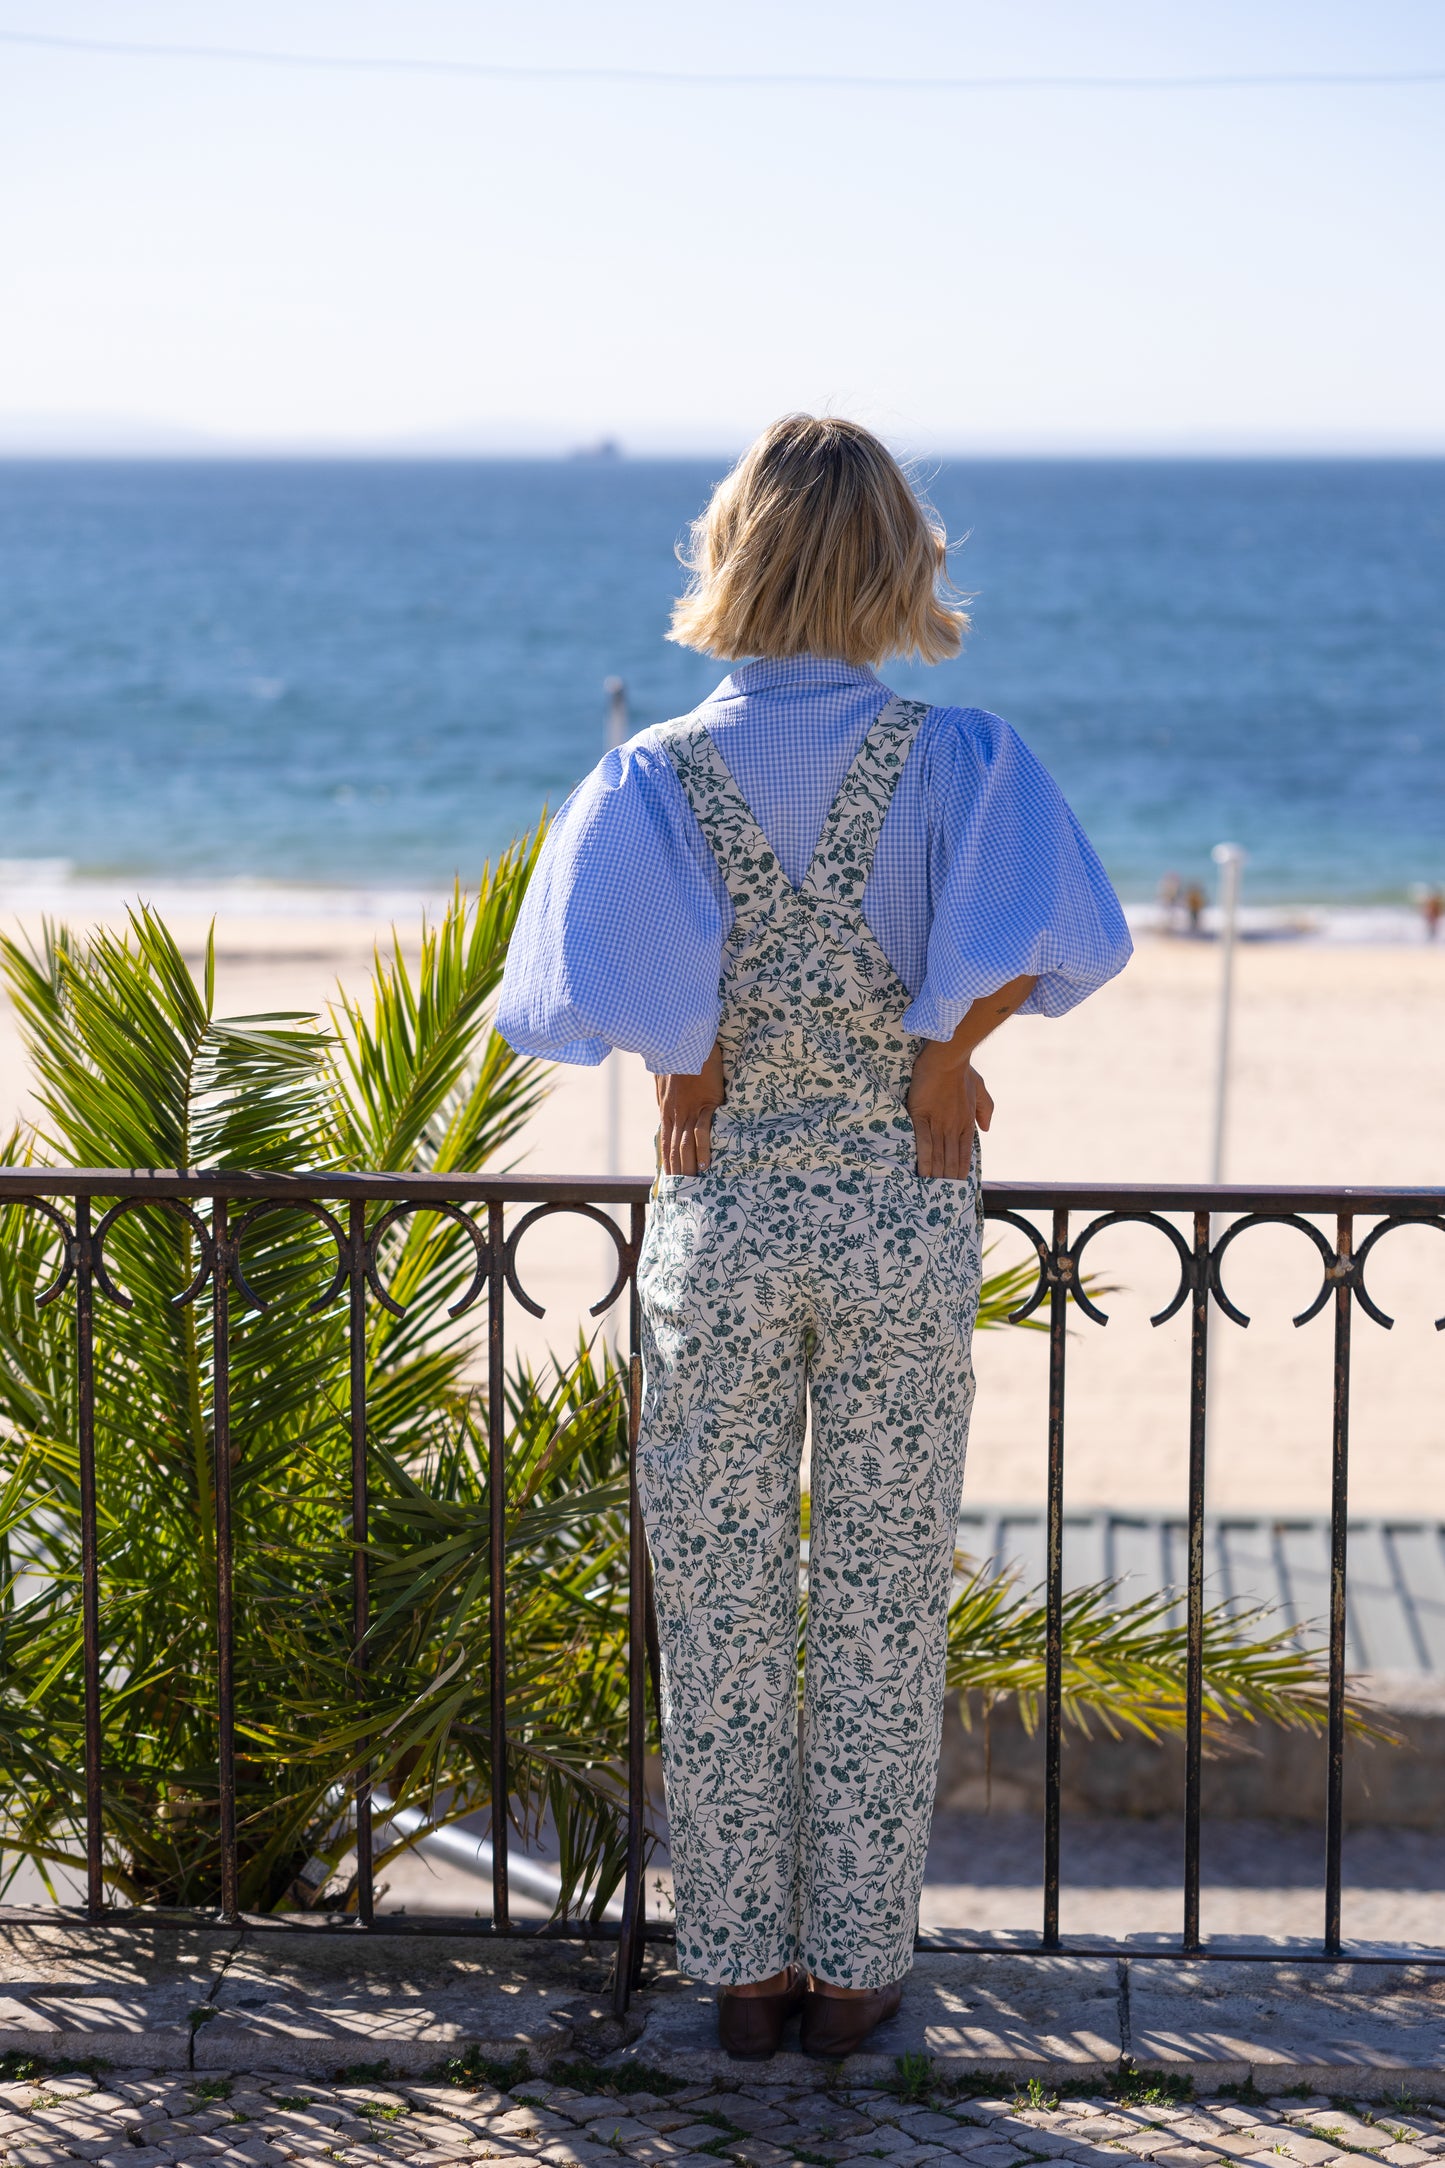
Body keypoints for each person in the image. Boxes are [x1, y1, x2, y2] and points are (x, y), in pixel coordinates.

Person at [497, 416, 1131, 2059]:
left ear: (733, 555)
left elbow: (600, 974)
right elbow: (1059, 928)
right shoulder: (960, 757)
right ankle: (855, 1970)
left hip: (724, 1211)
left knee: (714, 1594)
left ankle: (740, 1971)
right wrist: (945, 1053)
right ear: (892, 564)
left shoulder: (651, 777)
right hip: (901, 1208)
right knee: (875, 1591)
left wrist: (688, 1064)